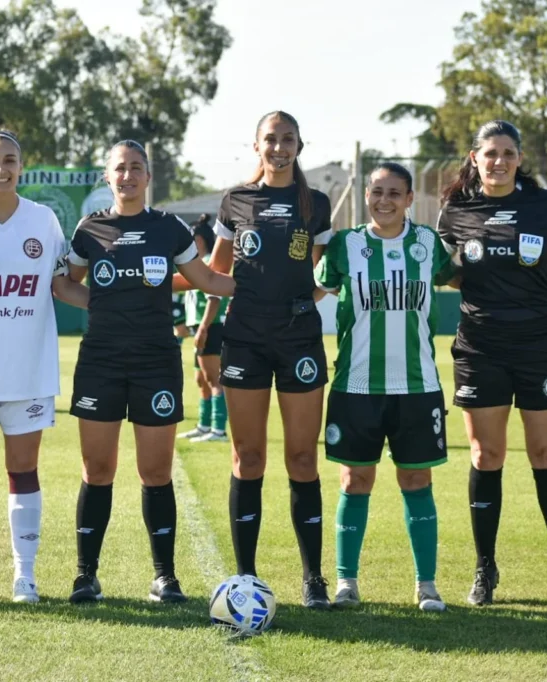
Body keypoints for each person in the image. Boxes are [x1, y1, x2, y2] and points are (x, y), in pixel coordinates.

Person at [66, 140, 234, 604]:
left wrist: (265, 286)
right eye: (119, 168)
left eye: (136, 167)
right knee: (97, 468)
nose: (128, 176)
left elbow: (206, 279)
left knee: (155, 471)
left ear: (148, 176)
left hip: (156, 361)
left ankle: (165, 577)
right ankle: (85, 575)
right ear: (107, 176)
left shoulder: (169, 229)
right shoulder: (89, 229)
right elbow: (65, 284)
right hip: (100, 361)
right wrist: (102, 303)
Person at [437, 120, 547, 609]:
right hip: (480, 350)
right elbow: (442, 271)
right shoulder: (456, 210)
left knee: (546, 454)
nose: (499, 161)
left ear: (520, 158)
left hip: (539, 349)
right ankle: (485, 569)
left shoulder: (546, 206)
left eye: (508, 153)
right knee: (486, 456)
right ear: (475, 157)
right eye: (491, 153)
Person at [0, 130, 90, 605]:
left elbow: (62, 286)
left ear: (21, 167)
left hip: (27, 370)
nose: (1, 169)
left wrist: (120, 305)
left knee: (24, 469)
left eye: (9, 160)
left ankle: (25, 577)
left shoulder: (43, 220)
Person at [314, 162, 458, 611]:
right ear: (366, 196)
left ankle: (426, 585)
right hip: (356, 385)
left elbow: (462, 281)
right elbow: (314, 291)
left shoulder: (428, 244)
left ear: (410, 199)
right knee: (355, 479)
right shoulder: (344, 246)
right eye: (377, 192)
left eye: (395, 193)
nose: (385, 200)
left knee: (417, 479)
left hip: (417, 385)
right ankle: (346, 583)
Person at [207, 111, 334, 609]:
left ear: (300, 146)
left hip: (299, 339)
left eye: (287, 140)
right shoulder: (236, 200)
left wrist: (297, 305)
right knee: (249, 456)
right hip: (245, 338)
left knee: (302, 458)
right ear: (256, 145)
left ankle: (313, 578)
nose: (279, 148)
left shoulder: (316, 204)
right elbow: (217, 273)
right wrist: (209, 329)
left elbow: (324, 274)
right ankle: (245, 577)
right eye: (270, 139)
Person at [177, 235, 230, 443]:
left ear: (199, 240)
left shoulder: (208, 263)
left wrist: (203, 328)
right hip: (200, 327)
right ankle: (204, 425)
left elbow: (214, 299)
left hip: (210, 327)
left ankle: (218, 429)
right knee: (201, 379)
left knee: (214, 378)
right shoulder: (195, 264)